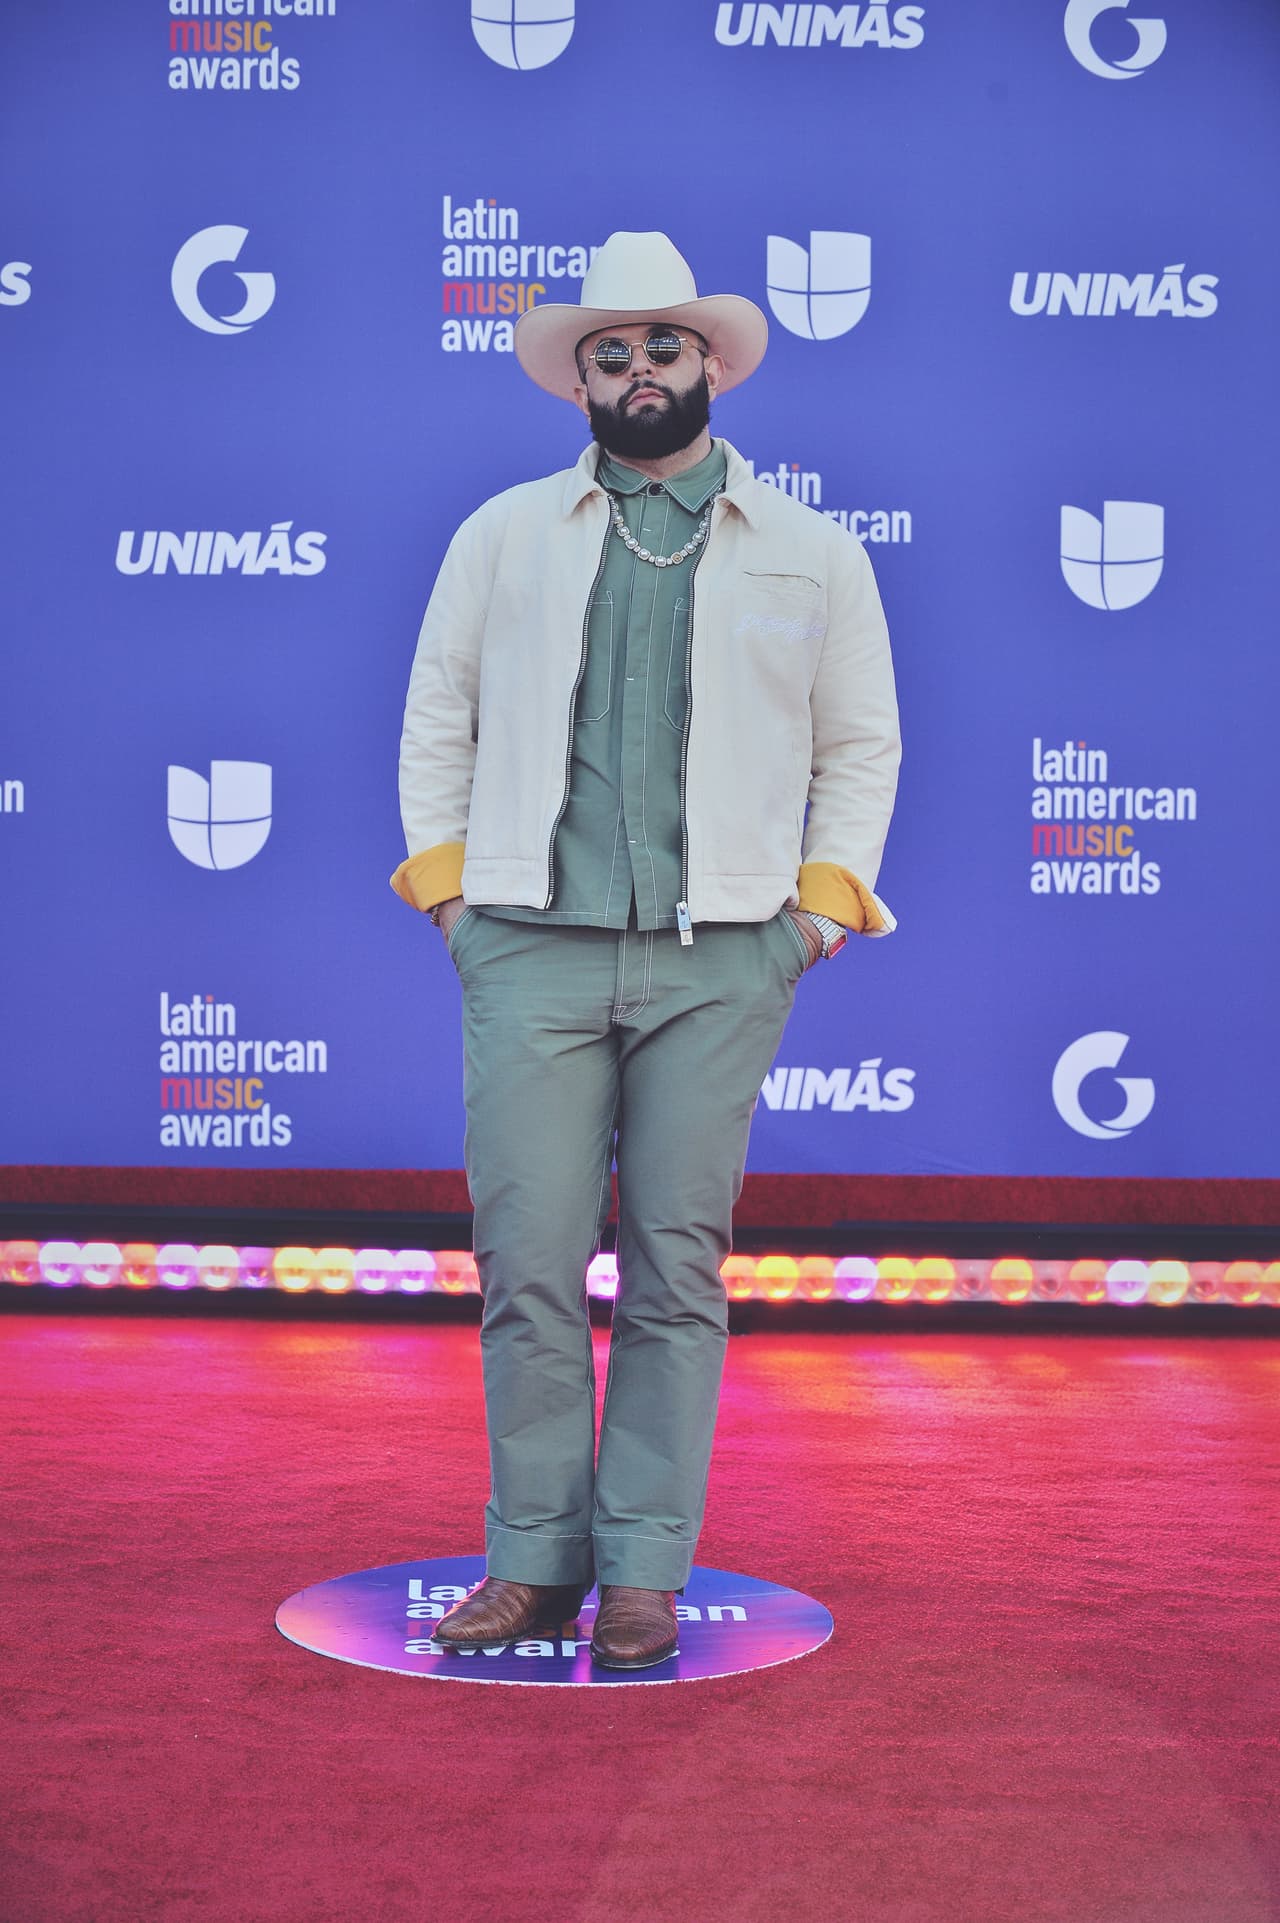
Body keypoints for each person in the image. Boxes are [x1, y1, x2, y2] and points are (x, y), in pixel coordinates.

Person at [392, 231, 900, 1669]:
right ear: (581, 383)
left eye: (661, 346)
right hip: (530, 947)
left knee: (679, 1273)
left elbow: (861, 745)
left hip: (724, 958)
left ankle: (645, 1572)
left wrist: (813, 918)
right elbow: (438, 716)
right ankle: (532, 1562)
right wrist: (458, 907)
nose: (636, 371)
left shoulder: (812, 549)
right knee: (529, 1266)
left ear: (711, 362)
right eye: (608, 354)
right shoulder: (503, 534)